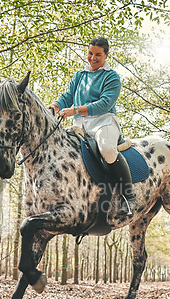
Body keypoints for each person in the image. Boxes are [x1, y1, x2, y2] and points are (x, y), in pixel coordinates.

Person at [48, 37, 136, 216]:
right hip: (80, 125)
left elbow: (104, 104)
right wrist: (54, 106)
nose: (93, 58)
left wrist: (75, 110)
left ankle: (128, 196)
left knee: (107, 150)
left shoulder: (111, 77)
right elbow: (67, 96)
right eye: (90, 53)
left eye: (98, 54)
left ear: (106, 55)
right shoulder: (80, 75)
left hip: (103, 122)